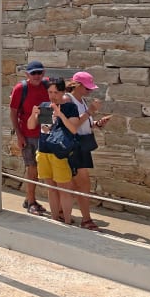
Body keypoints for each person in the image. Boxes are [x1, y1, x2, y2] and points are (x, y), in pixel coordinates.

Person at [26, 77, 79, 223]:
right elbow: (32, 126)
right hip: (44, 151)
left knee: (64, 189)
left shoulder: (70, 108)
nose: (52, 95)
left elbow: (74, 129)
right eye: (50, 92)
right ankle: (56, 219)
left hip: (60, 153)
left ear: (62, 92)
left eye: (56, 92)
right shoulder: (45, 106)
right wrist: (33, 114)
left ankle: (67, 221)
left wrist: (60, 114)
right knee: (51, 188)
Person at [64, 71, 111, 231]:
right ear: (77, 85)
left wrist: (97, 123)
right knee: (81, 183)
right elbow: (73, 125)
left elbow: (83, 124)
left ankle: (75, 217)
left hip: (81, 145)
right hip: (73, 146)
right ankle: (85, 219)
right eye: (87, 88)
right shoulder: (67, 100)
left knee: (79, 183)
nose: (90, 91)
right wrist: (90, 112)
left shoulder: (81, 101)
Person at [9, 60, 51, 215]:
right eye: (33, 73)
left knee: (42, 169)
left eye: (39, 72)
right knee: (32, 168)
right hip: (28, 134)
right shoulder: (21, 88)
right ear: (27, 74)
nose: (37, 76)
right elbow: (13, 112)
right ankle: (31, 201)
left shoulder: (47, 84)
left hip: (45, 134)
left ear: (44, 73)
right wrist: (19, 135)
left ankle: (29, 198)